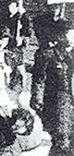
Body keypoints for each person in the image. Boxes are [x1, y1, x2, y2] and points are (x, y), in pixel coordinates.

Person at [31, 19, 74, 156]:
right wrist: (37, 100)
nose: (72, 38)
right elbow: (39, 80)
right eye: (69, 34)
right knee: (62, 138)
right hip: (59, 100)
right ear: (60, 35)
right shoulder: (47, 54)